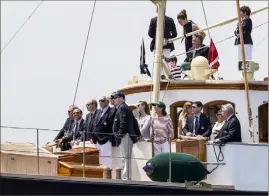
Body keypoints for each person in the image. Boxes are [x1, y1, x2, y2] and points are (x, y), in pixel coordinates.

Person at [112, 91, 141, 180]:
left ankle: (126, 178)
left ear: (121, 98)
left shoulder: (123, 107)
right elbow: (134, 121)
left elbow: (123, 121)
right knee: (124, 158)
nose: (114, 100)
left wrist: (120, 134)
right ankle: (126, 177)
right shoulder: (123, 107)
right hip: (125, 136)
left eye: (116, 97)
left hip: (125, 136)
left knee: (126, 158)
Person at [148, 8, 177, 79]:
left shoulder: (153, 20)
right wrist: (167, 38)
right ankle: (168, 75)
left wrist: (157, 36)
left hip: (157, 44)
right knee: (166, 59)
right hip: (167, 44)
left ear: (157, 10)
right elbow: (175, 34)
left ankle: (161, 75)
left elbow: (150, 34)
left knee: (158, 60)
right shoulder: (170, 20)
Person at [92, 96, 114, 168]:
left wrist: (108, 137)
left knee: (106, 161)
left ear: (107, 102)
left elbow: (111, 126)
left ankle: (107, 177)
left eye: (102, 100)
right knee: (98, 161)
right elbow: (94, 125)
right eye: (99, 101)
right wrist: (92, 137)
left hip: (105, 139)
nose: (100, 102)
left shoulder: (111, 111)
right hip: (96, 140)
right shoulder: (98, 112)